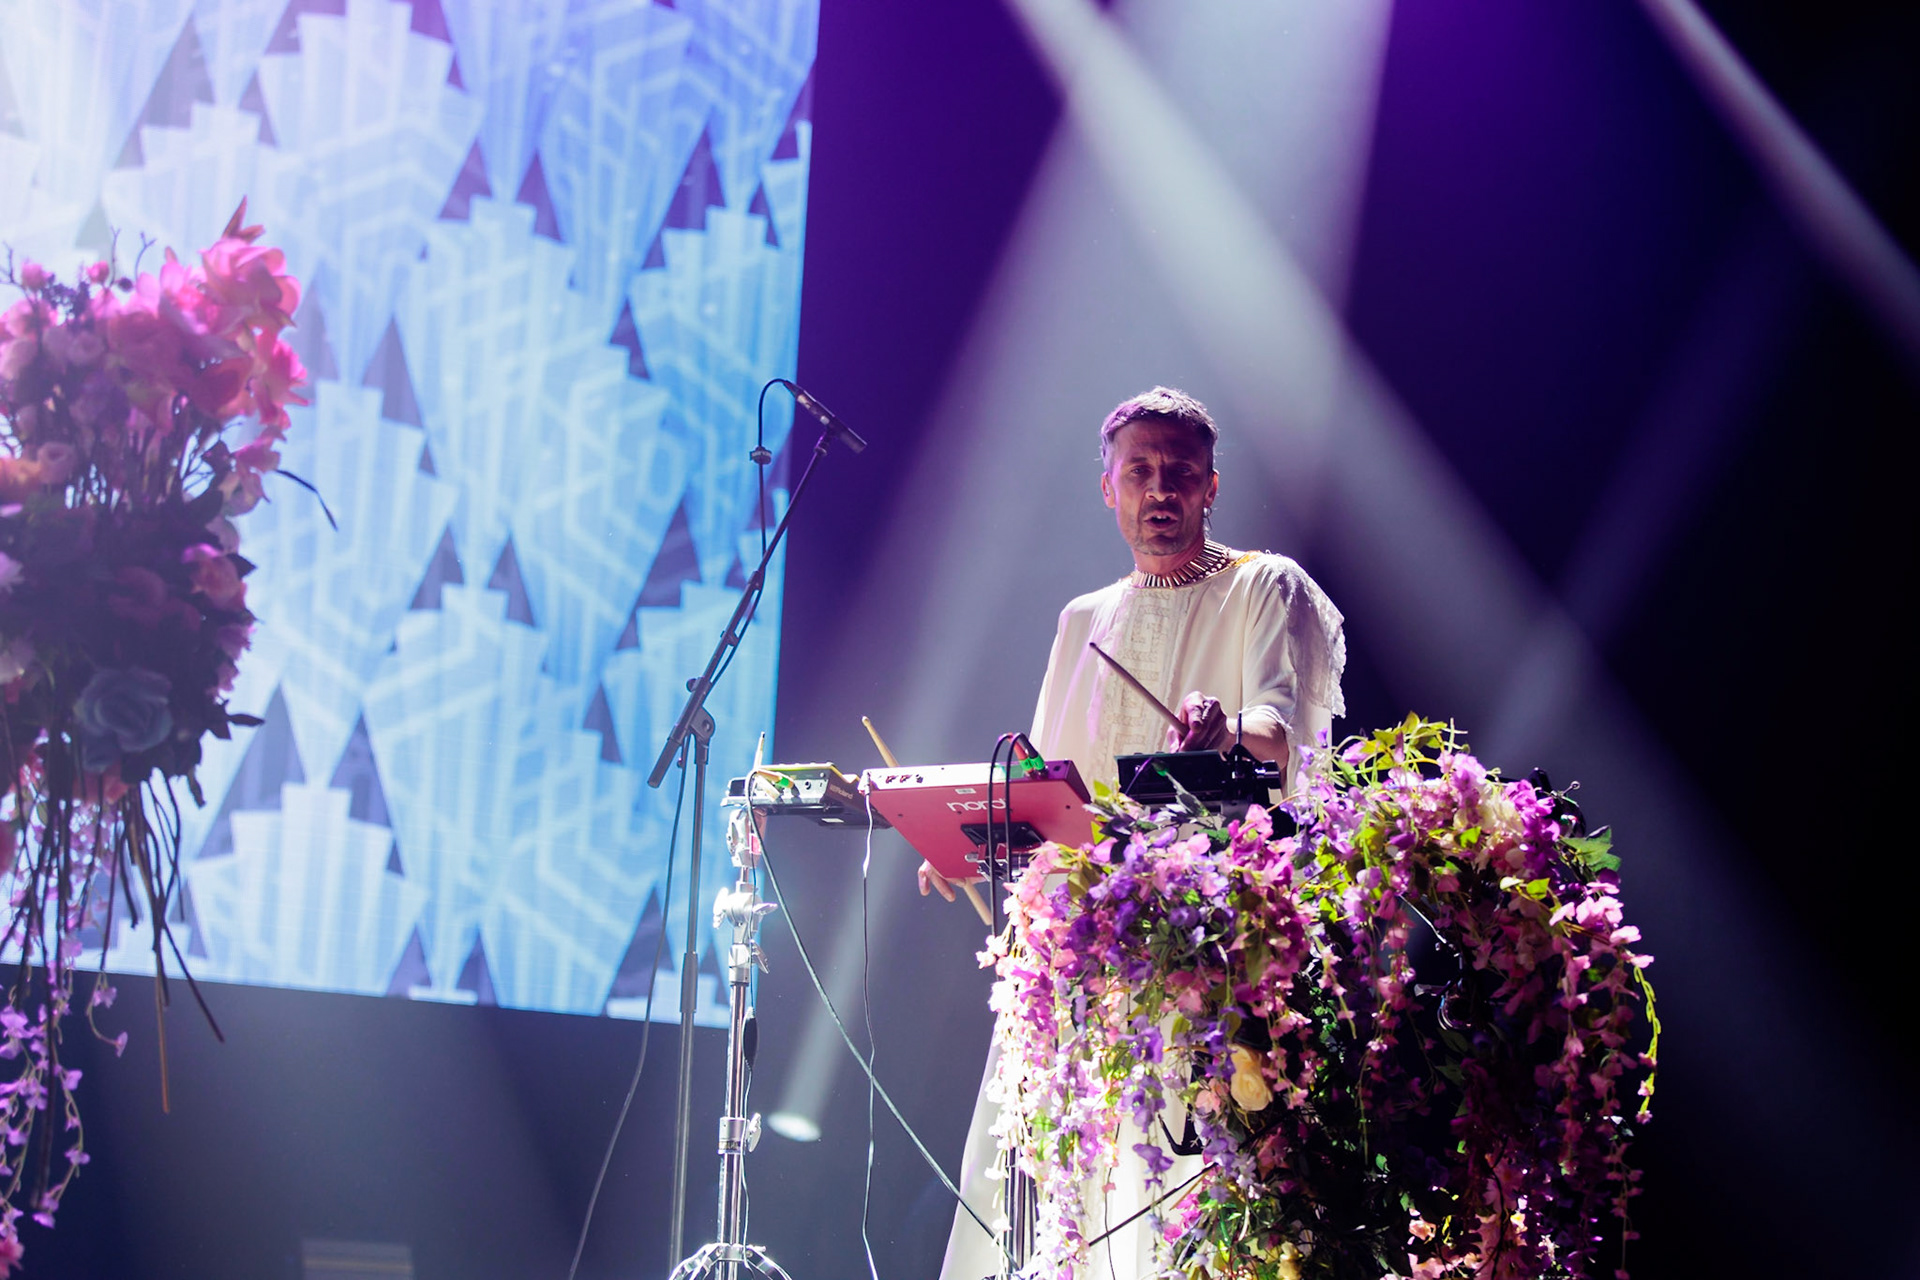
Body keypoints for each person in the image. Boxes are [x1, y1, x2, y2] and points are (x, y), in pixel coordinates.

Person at [923, 386, 1346, 1279]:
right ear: (1107, 487)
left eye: (1180, 475)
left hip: (1210, 948)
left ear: (1211, 487)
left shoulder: (1265, 586)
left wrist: (1224, 724)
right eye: (1141, 472)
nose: (1161, 491)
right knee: (1054, 1187)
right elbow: (1045, 785)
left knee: (1191, 1189)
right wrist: (971, 839)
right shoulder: (1083, 618)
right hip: (1085, 950)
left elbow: (1285, 736)